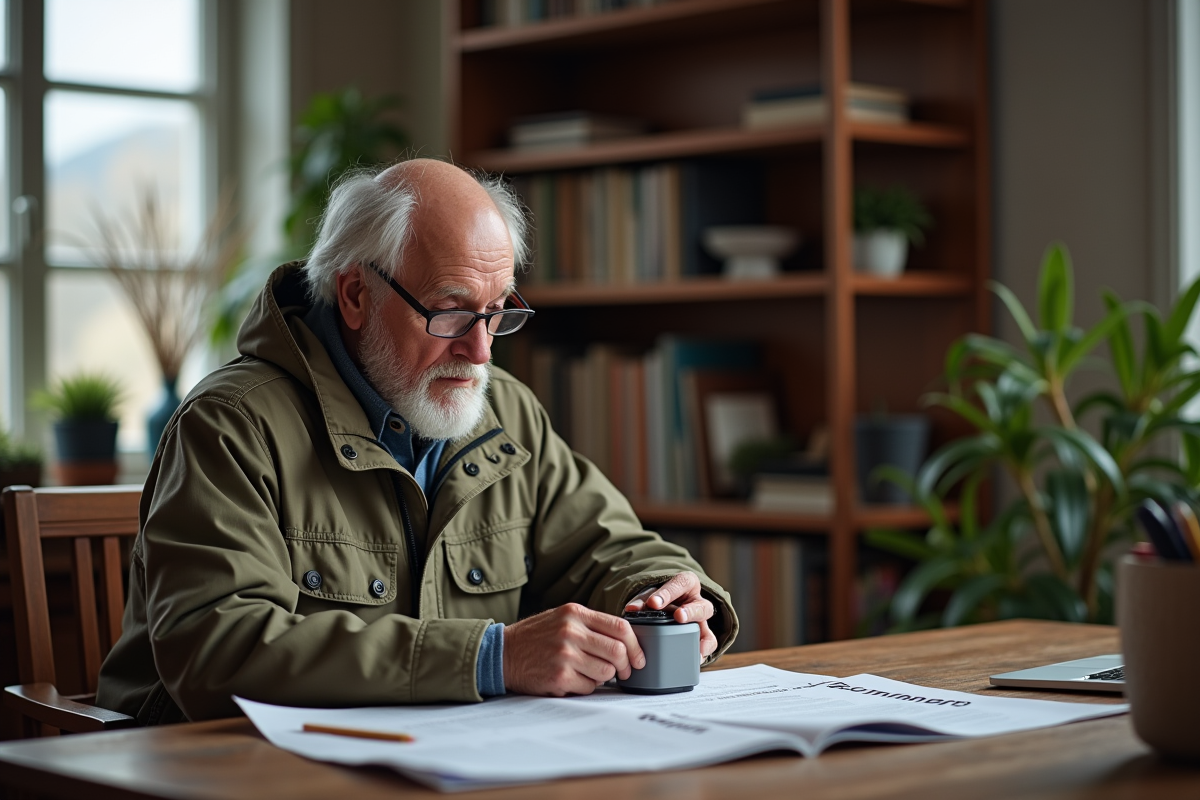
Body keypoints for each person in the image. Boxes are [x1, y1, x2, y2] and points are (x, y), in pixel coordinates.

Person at [96, 158, 739, 724]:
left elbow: (605, 545)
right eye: (451, 310)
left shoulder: (504, 413)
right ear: (354, 293)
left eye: (496, 312)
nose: (480, 349)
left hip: (447, 757)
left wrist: (664, 593)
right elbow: (219, 648)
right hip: (227, 769)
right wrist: (492, 657)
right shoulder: (231, 424)